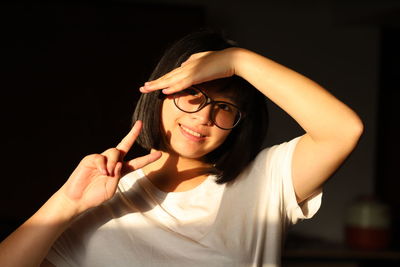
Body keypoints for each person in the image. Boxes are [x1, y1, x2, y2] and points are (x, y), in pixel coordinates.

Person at [0, 29, 363, 267]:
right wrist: (68, 202)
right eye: (193, 95)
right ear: (160, 94)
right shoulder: (102, 196)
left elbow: (343, 130)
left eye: (224, 107)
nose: (205, 116)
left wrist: (238, 60)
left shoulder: (266, 182)